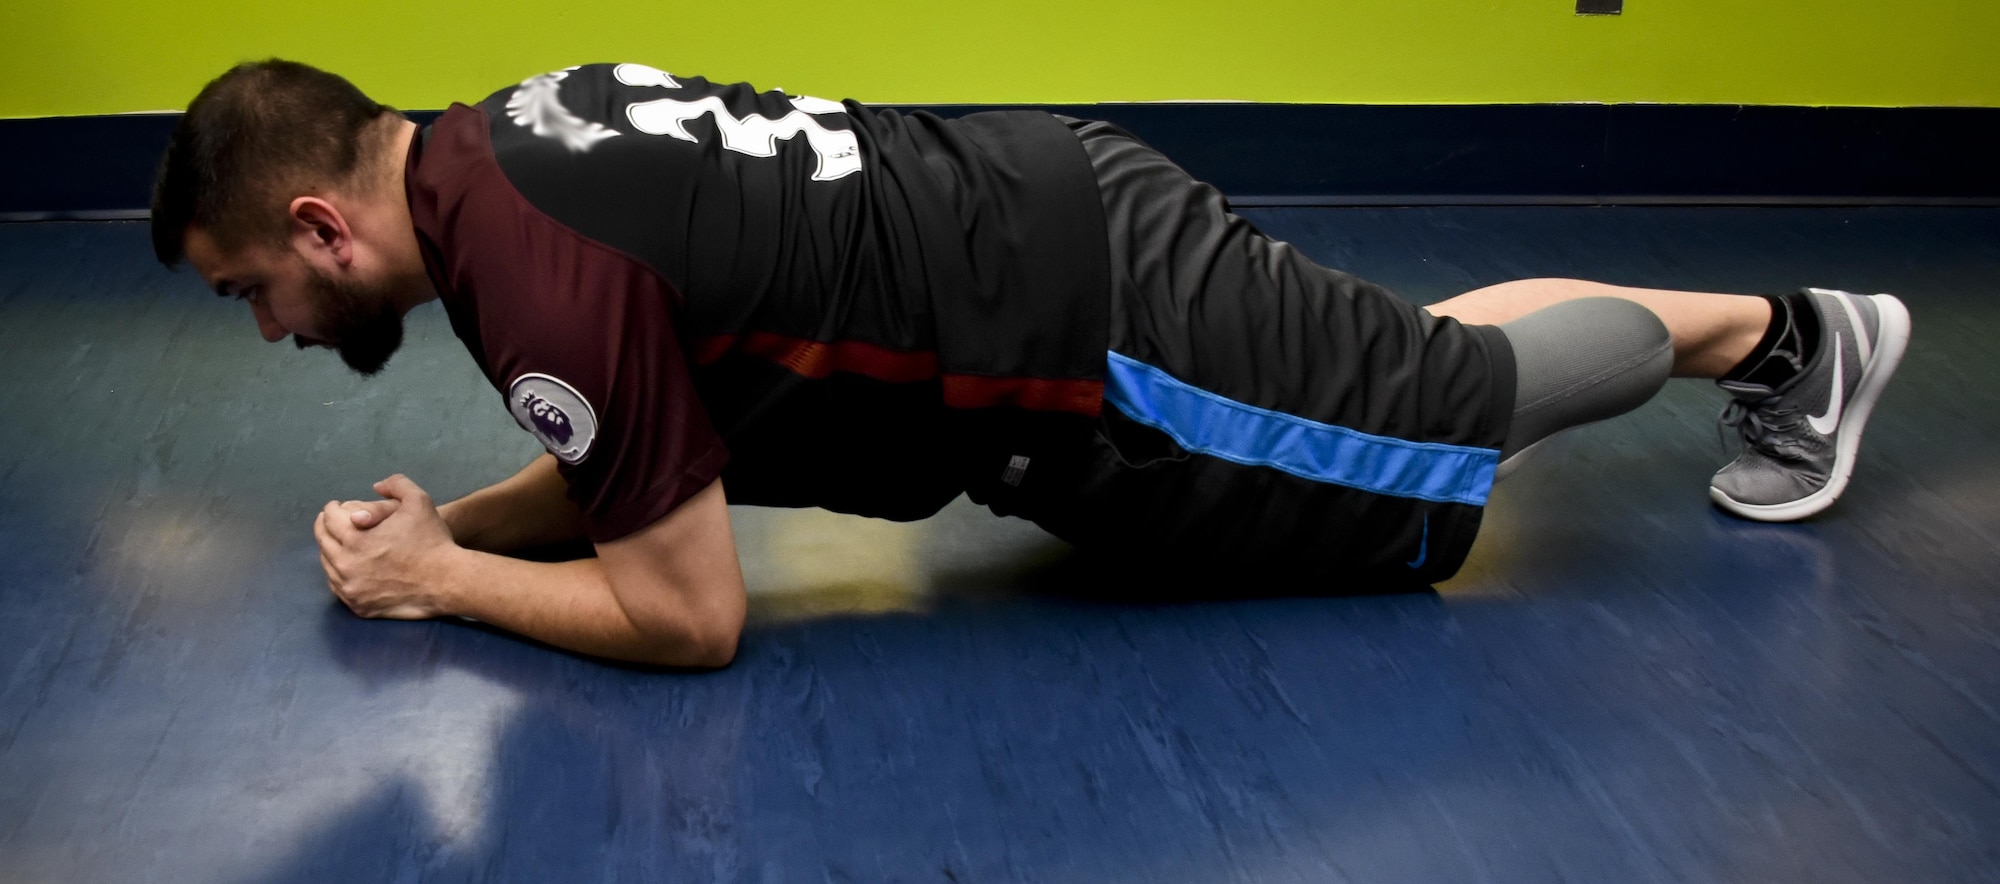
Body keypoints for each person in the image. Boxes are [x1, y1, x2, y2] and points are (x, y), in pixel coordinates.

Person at [149, 59, 1911, 667]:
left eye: (250, 290)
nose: (270, 330)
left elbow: (689, 618)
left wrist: (442, 581)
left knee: (1445, 415)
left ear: (318, 228)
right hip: (1049, 211)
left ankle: (1793, 339)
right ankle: (1770, 338)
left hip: (1096, 339)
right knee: (1400, 361)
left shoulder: (526, 278)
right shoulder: (508, 141)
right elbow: (652, 462)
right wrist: (460, 524)